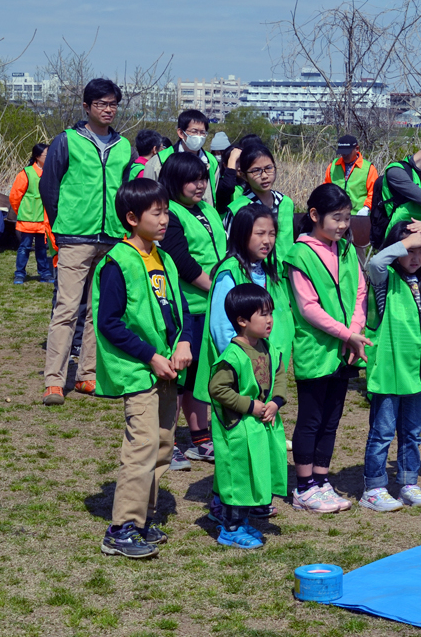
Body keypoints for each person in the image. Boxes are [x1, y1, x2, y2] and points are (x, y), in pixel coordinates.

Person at [94, 178, 192, 559]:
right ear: (132, 218)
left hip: (168, 366)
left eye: (166, 210)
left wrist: (183, 342)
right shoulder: (117, 262)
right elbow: (110, 323)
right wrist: (150, 356)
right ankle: (122, 528)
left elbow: (178, 309)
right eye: (157, 212)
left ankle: (144, 520)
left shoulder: (164, 257)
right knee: (142, 445)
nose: (165, 218)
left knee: (164, 445)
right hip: (138, 370)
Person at [39, 78, 136, 406]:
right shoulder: (66, 141)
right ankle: (54, 380)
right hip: (75, 236)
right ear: (86, 106)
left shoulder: (124, 146)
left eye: (112, 104)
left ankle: (87, 375)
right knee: (66, 308)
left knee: (99, 310)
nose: (108, 110)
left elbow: (125, 192)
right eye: (101, 104)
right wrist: (60, 226)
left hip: (112, 237)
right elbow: (49, 187)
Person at [196, 203, 294, 523]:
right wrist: (244, 364)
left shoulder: (268, 269)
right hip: (242, 372)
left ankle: (254, 497)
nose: (267, 240)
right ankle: (224, 503)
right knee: (235, 442)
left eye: (272, 234)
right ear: (241, 234)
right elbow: (223, 326)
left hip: (264, 367)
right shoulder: (230, 271)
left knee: (259, 437)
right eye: (260, 233)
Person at [360, 218, 421, 511]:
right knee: (383, 431)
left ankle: (408, 483)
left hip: (419, 373)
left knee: (412, 432)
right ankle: (374, 487)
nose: (415, 258)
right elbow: (375, 262)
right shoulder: (384, 279)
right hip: (390, 371)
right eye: (409, 251)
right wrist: (405, 242)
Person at [282, 183, 369, 513]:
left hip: (346, 348)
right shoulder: (300, 254)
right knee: (311, 418)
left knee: (332, 419)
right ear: (315, 215)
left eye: (347, 218)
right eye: (337, 218)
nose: (343, 225)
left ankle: (321, 480)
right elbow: (308, 308)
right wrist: (348, 334)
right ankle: (303, 487)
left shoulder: (346, 249)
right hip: (317, 349)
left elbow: (361, 293)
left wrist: (355, 331)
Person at [158, 152, 228, 467]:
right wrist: (215, 286)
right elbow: (180, 260)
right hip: (189, 305)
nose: (199, 186)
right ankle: (166, 441)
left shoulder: (207, 210)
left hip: (213, 306)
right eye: (192, 180)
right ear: (174, 182)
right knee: (178, 376)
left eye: (202, 178)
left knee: (202, 374)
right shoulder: (170, 213)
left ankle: (200, 438)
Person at [208, 283, 288, 549]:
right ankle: (230, 528)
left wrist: (275, 402)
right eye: (262, 314)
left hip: (259, 427)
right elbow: (217, 388)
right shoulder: (232, 355)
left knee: (255, 473)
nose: (269, 320)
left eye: (271, 313)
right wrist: (248, 405)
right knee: (238, 477)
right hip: (238, 428)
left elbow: (280, 376)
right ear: (242, 320)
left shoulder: (268, 348)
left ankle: (242, 521)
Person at [227, 141, 295, 268]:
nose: (264, 176)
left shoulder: (286, 203)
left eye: (268, 168)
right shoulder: (238, 208)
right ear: (243, 175)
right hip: (254, 278)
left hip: (285, 279)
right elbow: (230, 250)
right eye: (256, 171)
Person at [142, 110, 228, 206]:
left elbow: (212, 194)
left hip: (203, 214)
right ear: (181, 133)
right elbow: (148, 198)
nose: (199, 136)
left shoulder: (211, 161)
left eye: (202, 132)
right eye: (194, 131)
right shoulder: (158, 161)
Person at [9, 143, 55, 285]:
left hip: (43, 221)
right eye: (47, 155)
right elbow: (14, 197)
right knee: (24, 248)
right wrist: (22, 212)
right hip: (28, 220)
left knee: (42, 249)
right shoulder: (26, 173)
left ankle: (45, 273)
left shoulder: (50, 173)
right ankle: (20, 274)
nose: (49, 158)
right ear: (37, 156)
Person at [325, 134, 378, 215]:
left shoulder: (369, 168)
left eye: (347, 153)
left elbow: (374, 193)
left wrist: (367, 207)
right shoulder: (333, 166)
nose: (344, 155)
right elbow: (326, 190)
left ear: (357, 149)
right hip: (336, 215)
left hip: (359, 217)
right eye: (342, 153)